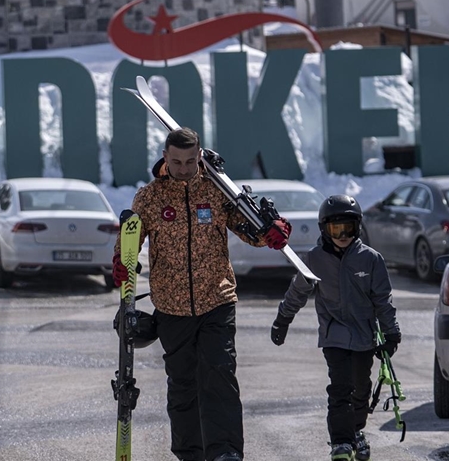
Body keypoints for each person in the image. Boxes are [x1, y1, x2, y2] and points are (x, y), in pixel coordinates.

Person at [112, 128, 291, 461]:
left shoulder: (217, 190)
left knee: (219, 373)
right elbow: (130, 239)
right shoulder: (149, 197)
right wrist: (122, 261)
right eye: (176, 161)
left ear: (199, 157)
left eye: (189, 161)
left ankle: (225, 452)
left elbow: (248, 228)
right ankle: (190, 453)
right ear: (165, 158)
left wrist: (271, 230)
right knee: (183, 384)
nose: (183, 168)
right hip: (171, 306)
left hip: (217, 300)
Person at [269, 195, 400, 461]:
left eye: (348, 229)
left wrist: (391, 332)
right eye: (336, 229)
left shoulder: (371, 259)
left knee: (361, 389)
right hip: (334, 336)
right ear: (324, 229)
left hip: (364, 336)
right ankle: (341, 442)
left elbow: (382, 300)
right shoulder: (314, 259)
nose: (342, 236)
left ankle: (356, 431)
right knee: (341, 388)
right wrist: (283, 319)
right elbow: (297, 292)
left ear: (357, 227)